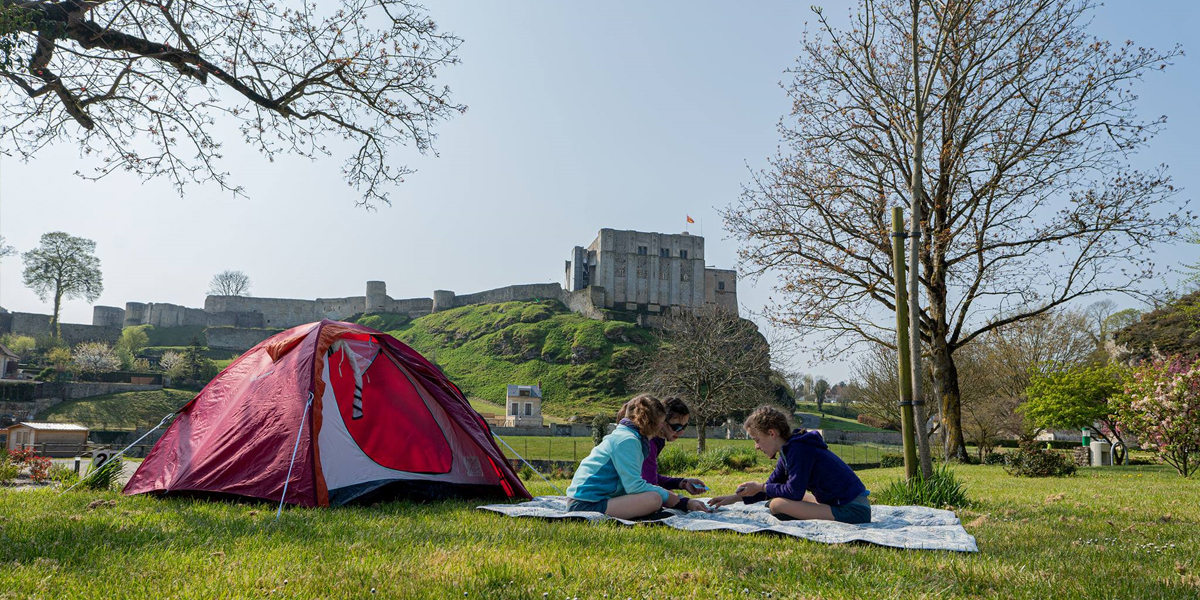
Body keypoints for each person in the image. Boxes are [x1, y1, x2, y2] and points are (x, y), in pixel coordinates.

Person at [708, 406, 871, 524]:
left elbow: (793, 492)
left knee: (777, 504)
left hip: (853, 511)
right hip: (837, 502)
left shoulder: (799, 449)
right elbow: (772, 486)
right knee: (777, 498)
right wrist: (734, 498)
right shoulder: (789, 450)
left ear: (772, 433)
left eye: (757, 440)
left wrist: (761, 487)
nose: (756, 447)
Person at [566, 394, 679, 519]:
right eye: (660, 423)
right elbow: (634, 486)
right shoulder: (628, 441)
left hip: (589, 500)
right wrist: (666, 496)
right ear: (650, 422)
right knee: (655, 499)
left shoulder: (626, 435)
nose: (661, 427)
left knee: (654, 496)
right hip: (585, 506)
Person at [616, 396, 711, 512]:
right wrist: (684, 503)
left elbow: (648, 476)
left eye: (684, 426)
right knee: (655, 500)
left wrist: (682, 483)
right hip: (608, 496)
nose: (681, 432)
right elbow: (647, 485)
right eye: (676, 426)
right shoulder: (647, 443)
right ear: (660, 422)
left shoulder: (656, 441)